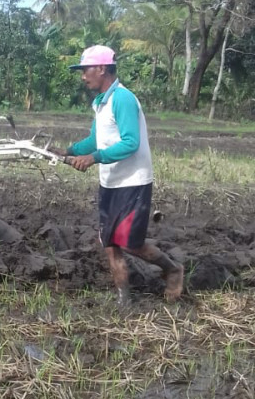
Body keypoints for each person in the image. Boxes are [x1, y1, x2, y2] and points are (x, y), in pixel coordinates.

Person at [57, 45, 184, 308]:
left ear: (102, 68)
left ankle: (172, 270)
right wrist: (68, 151)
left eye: (85, 70)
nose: (83, 76)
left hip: (133, 182)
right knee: (110, 243)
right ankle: (123, 301)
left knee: (131, 244)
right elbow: (96, 139)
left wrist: (93, 158)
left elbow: (130, 143)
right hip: (110, 182)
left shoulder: (123, 99)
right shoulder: (101, 103)